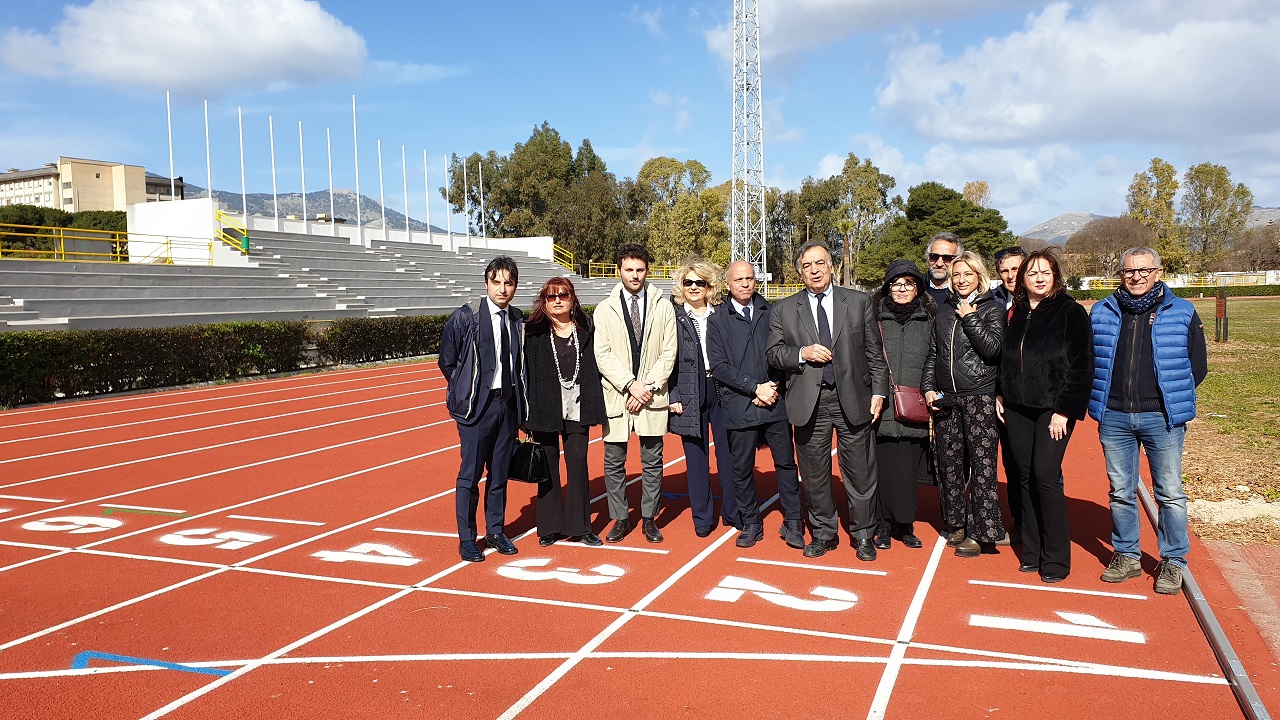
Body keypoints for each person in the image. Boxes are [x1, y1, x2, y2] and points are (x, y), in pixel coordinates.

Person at [1090, 246, 1207, 594]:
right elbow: (1091, 360)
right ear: (1121, 274)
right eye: (1128, 271)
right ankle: (1126, 554)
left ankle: (1174, 561)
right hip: (1114, 415)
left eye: (1144, 270)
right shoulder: (1101, 311)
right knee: (1120, 491)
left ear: (1158, 271)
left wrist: (1165, 397)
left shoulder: (1183, 312)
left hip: (1161, 417)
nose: (1136, 276)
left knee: (1169, 493)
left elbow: (1196, 367)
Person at [766, 240, 889, 561]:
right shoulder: (783, 309)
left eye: (820, 263)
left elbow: (875, 352)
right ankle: (823, 532)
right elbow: (773, 353)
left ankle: (863, 534)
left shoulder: (860, 302)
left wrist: (879, 391)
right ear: (799, 272)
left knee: (860, 472)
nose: (814, 270)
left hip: (854, 398)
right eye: (807, 266)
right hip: (808, 402)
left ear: (831, 266)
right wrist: (801, 353)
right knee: (815, 474)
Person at [997, 250, 1093, 583]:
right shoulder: (1017, 312)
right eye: (1032, 273)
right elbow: (1006, 358)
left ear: (1055, 277)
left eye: (1046, 273)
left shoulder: (1071, 312)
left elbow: (1082, 366)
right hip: (1017, 407)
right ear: (1022, 278)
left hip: (1053, 410)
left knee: (1046, 477)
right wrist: (1001, 392)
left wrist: (1064, 410)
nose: (1039, 278)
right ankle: (1032, 551)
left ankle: (1056, 558)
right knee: (1022, 477)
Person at [706, 260, 805, 550]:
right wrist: (754, 389)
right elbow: (719, 366)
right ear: (728, 284)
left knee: (786, 464)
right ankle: (750, 523)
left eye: (750, 278)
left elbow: (780, 353)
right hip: (740, 405)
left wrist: (770, 387)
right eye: (739, 279)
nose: (745, 284)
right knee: (742, 468)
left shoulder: (772, 312)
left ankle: (794, 521)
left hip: (774, 401)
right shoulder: (717, 320)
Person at [439, 256, 526, 563]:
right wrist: (466, 390)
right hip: (477, 410)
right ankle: (467, 539)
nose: (503, 289)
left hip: (507, 406)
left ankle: (496, 530)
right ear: (487, 282)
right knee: (470, 475)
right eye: (497, 282)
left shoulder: (517, 319)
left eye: (509, 283)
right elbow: (447, 361)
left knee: (499, 474)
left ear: (515, 286)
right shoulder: (466, 316)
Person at [922, 251, 1005, 558]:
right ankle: (955, 523)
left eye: (967, 274)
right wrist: (928, 387)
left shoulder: (992, 309)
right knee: (950, 466)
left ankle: (984, 532)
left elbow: (993, 349)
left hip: (979, 397)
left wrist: (970, 316)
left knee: (983, 468)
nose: (960, 280)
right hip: (947, 400)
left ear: (979, 277)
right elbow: (934, 353)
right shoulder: (943, 312)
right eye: (956, 275)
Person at [594, 243, 678, 543]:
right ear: (619, 270)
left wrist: (647, 387)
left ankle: (649, 518)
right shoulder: (605, 309)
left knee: (652, 460)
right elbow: (602, 354)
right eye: (629, 269)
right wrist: (630, 384)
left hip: (652, 396)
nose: (635, 275)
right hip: (618, 395)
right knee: (614, 461)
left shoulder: (663, 305)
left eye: (640, 270)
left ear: (647, 270)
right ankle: (620, 518)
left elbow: (669, 352)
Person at [523, 277, 607, 547]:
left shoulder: (587, 328)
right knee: (547, 466)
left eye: (563, 295)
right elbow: (524, 374)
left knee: (578, 463)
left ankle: (581, 527)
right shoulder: (533, 332)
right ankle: (549, 527)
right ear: (544, 302)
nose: (557, 300)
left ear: (573, 299)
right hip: (545, 407)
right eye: (551, 296)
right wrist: (525, 414)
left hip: (578, 405)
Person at [668, 257, 741, 537]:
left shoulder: (721, 313)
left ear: (710, 286)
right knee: (696, 458)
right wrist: (673, 394)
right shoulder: (672, 315)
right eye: (689, 282)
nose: (694, 287)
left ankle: (732, 512)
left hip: (722, 389)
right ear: (681, 286)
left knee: (729, 454)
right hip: (688, 390)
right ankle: (702, 517)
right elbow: (666, 358)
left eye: (700, 282)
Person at [870, 259, 936, 550]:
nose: (901, 289)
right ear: (887, 287)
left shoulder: (930, 319)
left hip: (915, 404)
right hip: (881, 406)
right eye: (896, 283)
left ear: (918, 288)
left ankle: (905, 525)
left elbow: (935, 359)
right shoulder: (873, 318)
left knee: (909, 470)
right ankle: (882, 526)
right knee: (881, 468)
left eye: (908, 283)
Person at [991, 245, 1028, 545]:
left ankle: (1041, 523)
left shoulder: (1046, 302)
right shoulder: (993, 302)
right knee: (1012, 464)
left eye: (1015, 269)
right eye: (1004, 270)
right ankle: (1019, 522)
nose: (1010, 275)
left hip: (1036, 399)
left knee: (1041, 468)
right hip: (1003, 397)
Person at [924, 231, 962, 308]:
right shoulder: (914, 288)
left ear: (959, 259)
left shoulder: (966, 291)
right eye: (934, 256)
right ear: (928, 258)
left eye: (947, 258)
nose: (939, 264)